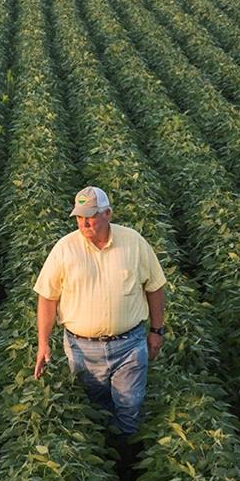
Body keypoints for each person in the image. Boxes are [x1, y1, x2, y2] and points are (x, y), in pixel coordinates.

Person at [33, 186, 166, 436]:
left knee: (129, 406)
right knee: (92, 408)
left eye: (91, 216)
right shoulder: (65, 248)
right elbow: (47, 298)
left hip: (129, 344)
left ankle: (125, 455)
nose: (84, 223)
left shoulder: (133, 242)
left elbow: (155, 287)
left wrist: (157, 331)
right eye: (80, 217)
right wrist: (43, 343)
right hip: (82, 349)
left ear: (108, 214)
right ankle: (101, 454)